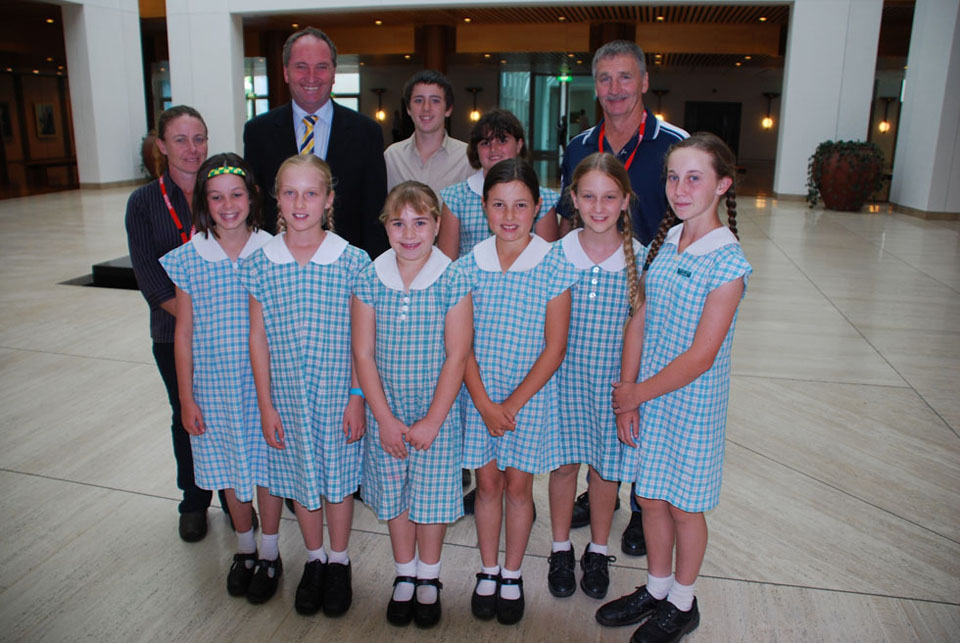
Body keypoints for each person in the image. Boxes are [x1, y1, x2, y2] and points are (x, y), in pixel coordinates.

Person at [598, 133, 752, 642]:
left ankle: (683, 603)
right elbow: (638, 317)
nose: (680, 188)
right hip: (647, 398)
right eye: (672, 177)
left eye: (694, 178)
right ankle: (658, 588)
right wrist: (627, 388)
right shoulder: (667, 242)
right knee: (653, 498)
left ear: (722, 184)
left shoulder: (727, 263)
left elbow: (701, 355)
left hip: (691, 405)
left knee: (686, 507)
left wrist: (636, 394)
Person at [558, 39, 688, 555]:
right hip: (601, 288)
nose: (615, 89)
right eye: (605, 79)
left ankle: (640, 504)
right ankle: (601, 488)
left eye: (625, 77)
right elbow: (571, 218)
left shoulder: (671, 143)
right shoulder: (579, 145)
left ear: (644, 82)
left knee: (641, 398)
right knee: (598, 391)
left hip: (655, 291)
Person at [240, 154, 369, 616]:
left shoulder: (352, 260)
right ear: (276, 198)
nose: (300, 203)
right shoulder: (261, 262)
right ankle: (313, 560)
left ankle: (339, 560)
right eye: (290, 192)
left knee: (336, 483)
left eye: (311, 193)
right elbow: (257, 338)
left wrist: (358, 397)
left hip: (337, 396)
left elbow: (362, 339)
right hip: (287, 400)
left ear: (329, 198)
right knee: (300, 477)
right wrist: (266, 405)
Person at [457, 159, 577, 625]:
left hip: (528, 397)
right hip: (479, 394)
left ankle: (512, 573)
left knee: (519, 487)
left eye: (520, 205)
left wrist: (510, 404)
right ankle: (488, 569)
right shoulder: (467, 266)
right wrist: (485, 403)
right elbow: (460, 344)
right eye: (499, 204)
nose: (509, 215)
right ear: (484, 206)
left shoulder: (554, 263)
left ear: (537, 207)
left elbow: (556, 345)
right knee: (487, 485)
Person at [352, 181, 473, 628]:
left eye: (420, 222)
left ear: (438, 225)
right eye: (398, 222)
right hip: (387, 410)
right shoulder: (370, 276)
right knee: (395, 494)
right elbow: (362, 353)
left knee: (432, 496)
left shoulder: (452, 276)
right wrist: (382, 418)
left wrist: (434, 420)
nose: (409, 232)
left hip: (435, 414)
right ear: (385, 227)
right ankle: (404, 573)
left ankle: (429, 576)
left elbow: (457, 354)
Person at [159, 153, 272, 597]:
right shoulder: (190, 257)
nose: (228, 205)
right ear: (205, 202)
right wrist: (187, 398)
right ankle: (244, 547)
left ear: (252, 198)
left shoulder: (271, 250)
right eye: (217, 197)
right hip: (214, 386)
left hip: (264, 385)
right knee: (228, 467)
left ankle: (270, 550)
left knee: (266, 467)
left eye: (237, 195)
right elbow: (183, 332)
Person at [547, 153, 646, 602]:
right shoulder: (554, 256)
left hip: (611, 387)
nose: (599, 206)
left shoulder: (640, 262)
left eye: (609, 197)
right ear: (573, 199)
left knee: (606, 472)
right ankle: (560, 547)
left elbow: (642, 334)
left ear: (625, 201)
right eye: (588, 196)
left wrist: (632, 393)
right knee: (565, 465)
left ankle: (598, 549)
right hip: (562, 382)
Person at [125, 105, 215, 543]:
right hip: (171, 331)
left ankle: (241, 495)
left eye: (198, 139)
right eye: (180, 140)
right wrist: (207, 318)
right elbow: (150, 279)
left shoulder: (224, 192)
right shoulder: (143, 203)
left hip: (232, 337)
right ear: (161, 145)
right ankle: (194, 499)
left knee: (236, 411)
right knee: (187, 414)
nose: (191, 149)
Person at [243, 27, 387, 257]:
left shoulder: (366, 133)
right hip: (279, 265)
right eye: (301, 67)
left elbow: (375, 215)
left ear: (333, 73)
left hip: (347, 270)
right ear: (286, 72)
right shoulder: (258, 132)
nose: (312, 77)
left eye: (321, 67)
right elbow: (255, 210)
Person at [438, 108, 559, 261]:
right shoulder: (455, 198)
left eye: (502, 141)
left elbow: (548, 261)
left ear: (519, 144)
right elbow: (447, 264)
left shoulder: (544, 199)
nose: (494, 149)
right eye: (485, 143)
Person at [383, 70, 473, 198]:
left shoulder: (467, 159)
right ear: (408, 108)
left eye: (435, 100)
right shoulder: (392, 157)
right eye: (419, 100)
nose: (426, 107)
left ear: (448, 109)